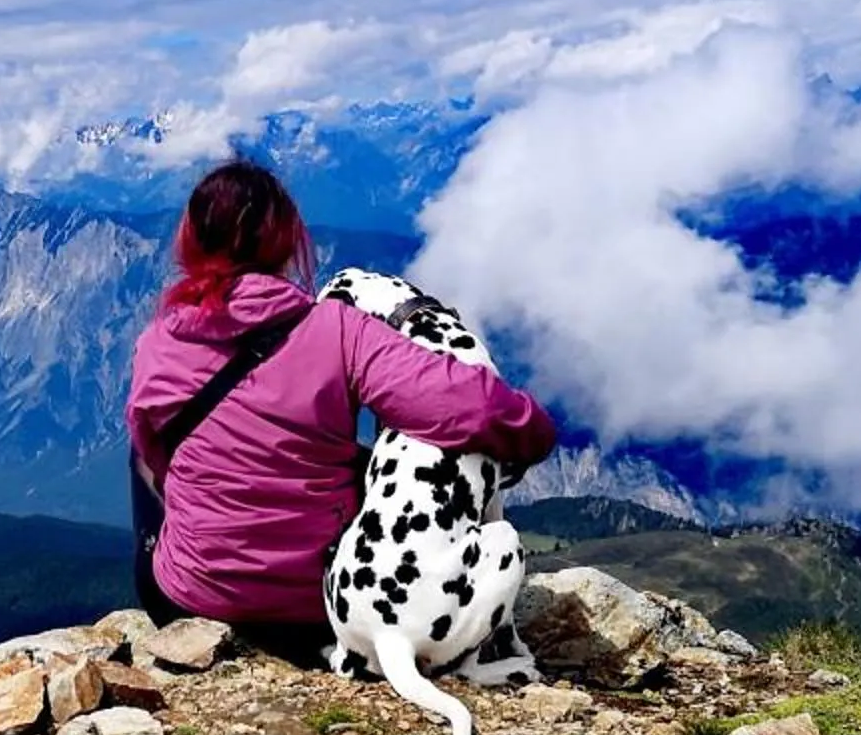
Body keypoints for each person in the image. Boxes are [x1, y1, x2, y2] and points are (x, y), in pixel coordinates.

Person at [126, 159, 557, 659]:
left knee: (143, 450)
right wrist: (535, 430)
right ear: (286, 244)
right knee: (353, 456)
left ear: (190, 242)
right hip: (321, 609)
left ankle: (197, 562)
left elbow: (159, 467)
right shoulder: (338, 331)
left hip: (189, 600)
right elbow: (469, 406)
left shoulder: (157, 343)